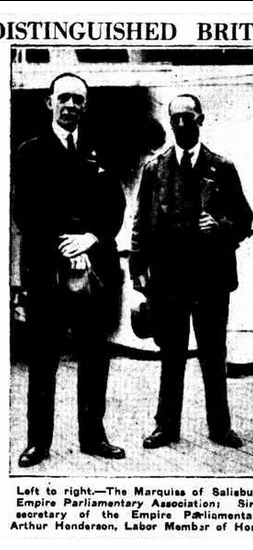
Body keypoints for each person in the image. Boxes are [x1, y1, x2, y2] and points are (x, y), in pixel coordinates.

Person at [13, 73, 126, 467]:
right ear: (49, 102)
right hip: (47, 271)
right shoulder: (30, 152)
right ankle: (37, 443)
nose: (71, 105)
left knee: (95, 355)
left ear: (85, 106)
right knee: (43, 357)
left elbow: (115, 208)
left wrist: (91, 238)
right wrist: (66, 244)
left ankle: (94, 436)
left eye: (79, 99)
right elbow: (25, 212)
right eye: (64, 98)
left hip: (95, 270)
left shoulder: (100, 152)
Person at [130, 94, 253, 449]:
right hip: (168, 280)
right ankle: (165, 427)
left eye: (188, 118)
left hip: (211, 280)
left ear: (201, 118)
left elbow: (245, 219)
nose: (182, 125)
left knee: (214, 355)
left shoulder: (222, 167)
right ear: (170, 123)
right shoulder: (155, 169)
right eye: (175, 120)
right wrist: (138, 267)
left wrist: (221, 225)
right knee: (171, 356)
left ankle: (220, 427)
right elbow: (140, 223)